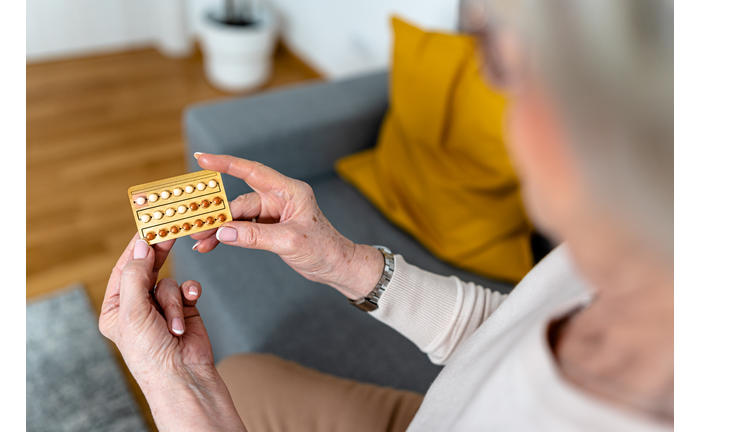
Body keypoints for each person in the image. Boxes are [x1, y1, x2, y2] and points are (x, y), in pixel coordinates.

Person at [99, 0, 673, 430]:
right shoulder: (619, 257)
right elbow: (506, 332)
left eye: (500, 61)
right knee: (243, 374)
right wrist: (342, 262)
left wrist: (170, 387)